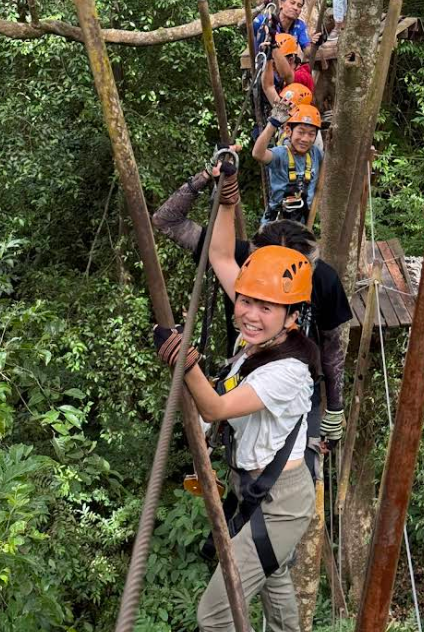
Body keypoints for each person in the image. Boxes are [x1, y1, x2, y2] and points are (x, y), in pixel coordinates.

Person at [154, 167, 320, 631]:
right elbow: (223, 256)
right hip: (254, 485)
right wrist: (228, 202)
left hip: (281, 498)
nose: (247, 313)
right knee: (275, 575)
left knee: (215, 614)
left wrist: (185, 363)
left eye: (262, 307)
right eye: (243, 302)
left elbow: (215, 408)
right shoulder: (262, 323)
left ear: (290, 316)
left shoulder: (289, 368)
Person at [151, 163, 350, 450]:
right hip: (245, 371)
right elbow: (172, 224)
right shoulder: (244, 260)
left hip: (291, 382)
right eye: (250, 298)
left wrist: (334, 406)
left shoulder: (325, 280)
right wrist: (213, 184)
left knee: (290, 453)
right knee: (246, 454)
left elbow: (331, 345)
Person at [252, 101, 323, 225]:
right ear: (288, 131)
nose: (305, 139)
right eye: (301, 132)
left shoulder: (315, 154)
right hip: (276, 224)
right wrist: (273, 123)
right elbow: (258, 154)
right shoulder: (280, 154)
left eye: (311, 134)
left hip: (301, 225)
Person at [253, 0, 319, 57]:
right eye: (292, 3)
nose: (295, 8)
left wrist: (315, 44)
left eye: (299, 6)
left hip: (288, 65)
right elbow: (249, 27)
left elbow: (308, 53)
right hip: (264, 63)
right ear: (281, 4)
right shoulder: (264, 20)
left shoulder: (300, 25)